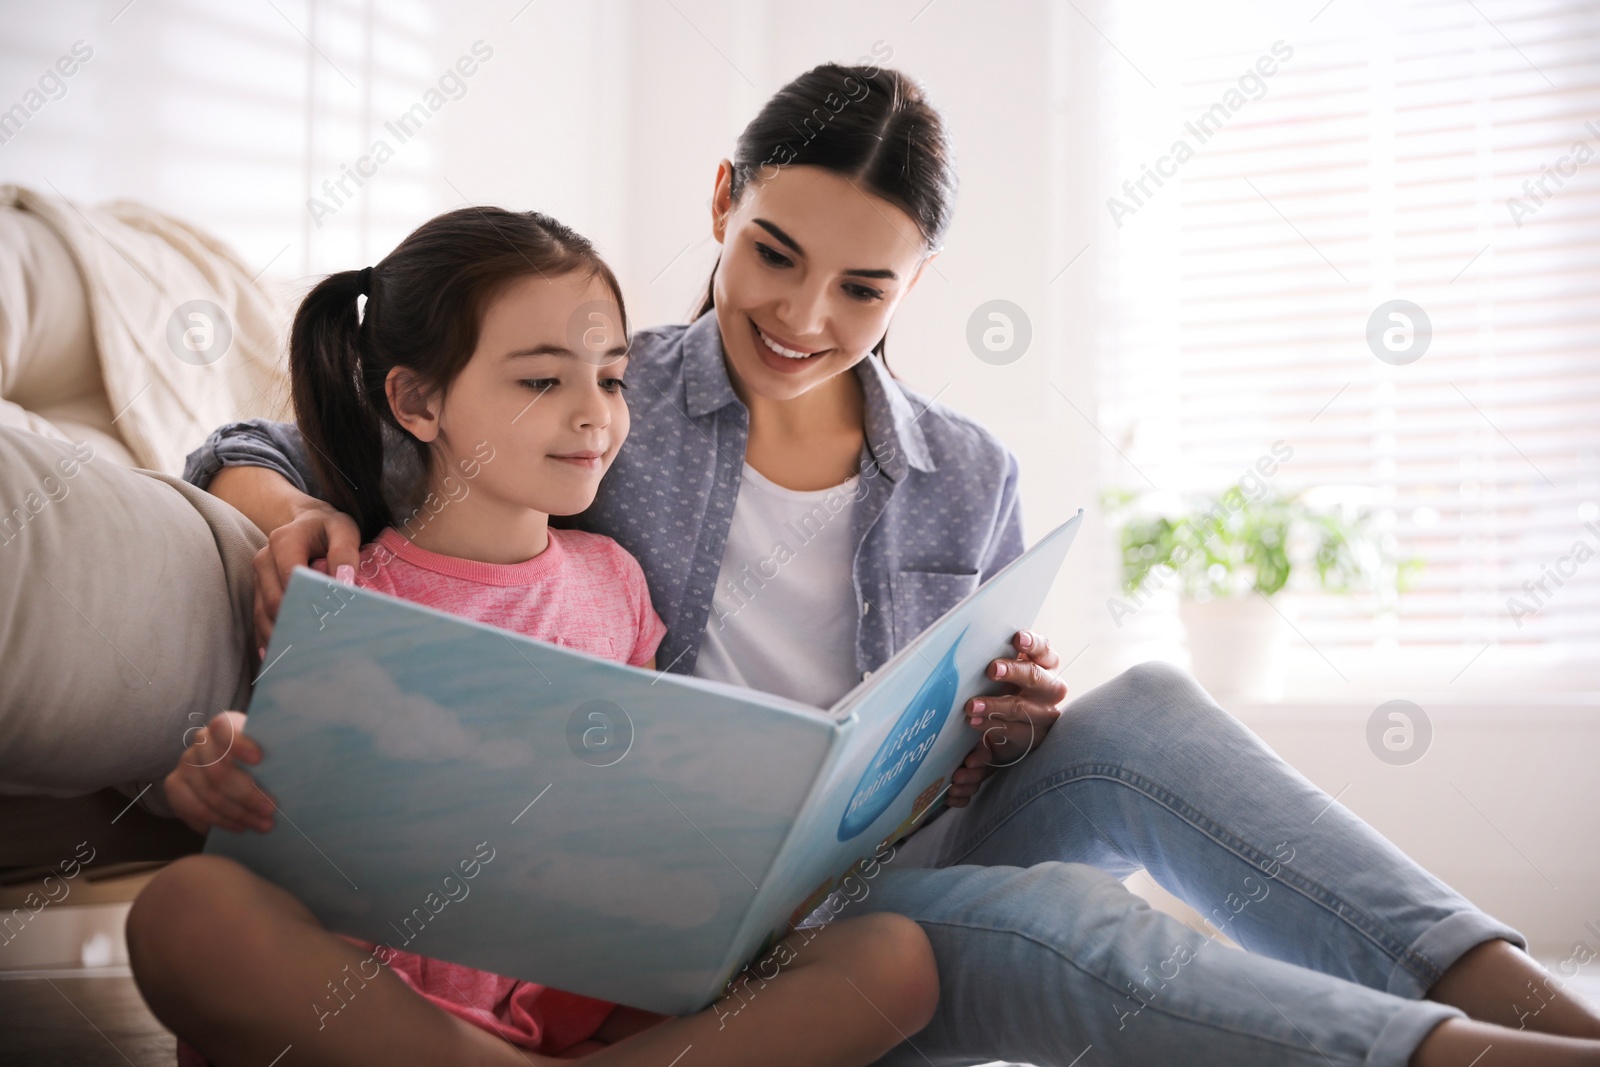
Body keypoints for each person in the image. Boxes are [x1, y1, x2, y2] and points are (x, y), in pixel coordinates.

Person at [181, 64, 1600, 1066]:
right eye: (774, 254)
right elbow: (301, 421)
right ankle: (1451, 1055)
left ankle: (1533, 1009)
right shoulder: (603, 398)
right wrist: (278, 502)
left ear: (919, 279)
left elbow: (953, 764)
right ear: (724, 199)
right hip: (694, 913)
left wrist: (1004, 723)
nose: (802, 315)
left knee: (1149, 706)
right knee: (1055, 924)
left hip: (874, 864)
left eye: (864, 284)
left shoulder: (966, 471)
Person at [126, 206, 940, 1067]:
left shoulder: (618, 585)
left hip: (572, 1002)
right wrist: (215, 762)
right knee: (184, 912)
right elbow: (270, 775)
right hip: (376, 1002)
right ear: (417, 400)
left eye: (613, 379)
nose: (595, 416)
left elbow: (641, 803)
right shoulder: (344, 585)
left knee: (896, 961)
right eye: (543, 382)